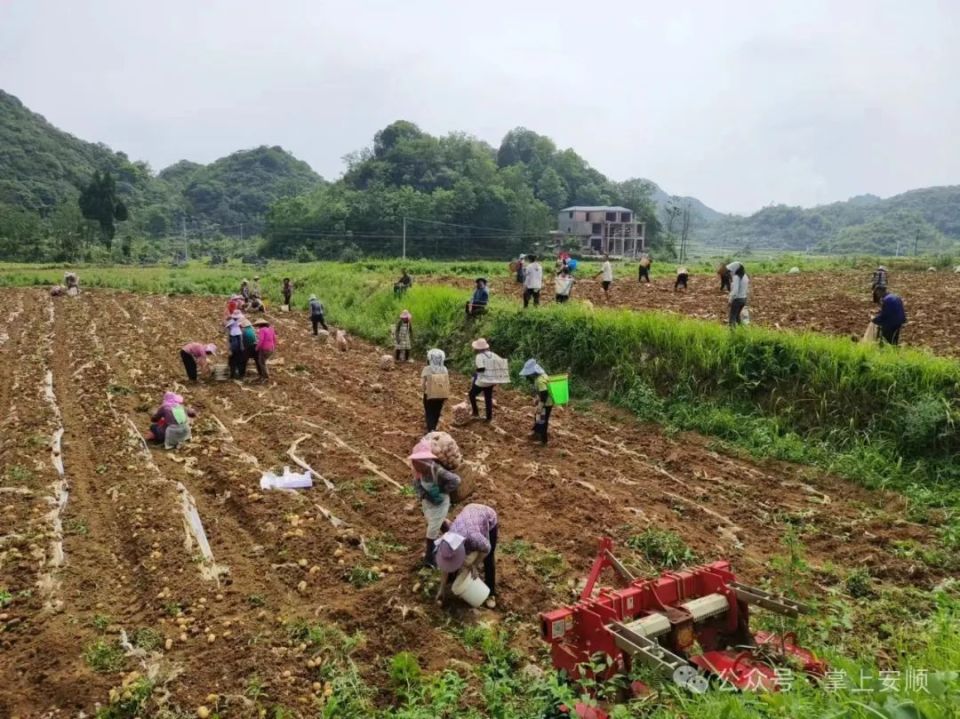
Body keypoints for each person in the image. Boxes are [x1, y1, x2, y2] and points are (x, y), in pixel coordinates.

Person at [435, 503, 499, 609]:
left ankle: (491, 594)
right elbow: (446, 565)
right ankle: (450, 582)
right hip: (469, 515)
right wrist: (441, 589)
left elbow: (487, 548)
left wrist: (474, 565)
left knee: (488, 559)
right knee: (460, 564)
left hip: (487, 517)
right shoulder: (450, 539)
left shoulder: (474, 539)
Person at [410, 440, 461, 568]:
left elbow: (455, 480)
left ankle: (429, 558)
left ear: (425, 460)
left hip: (441, 502)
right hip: (428, 502)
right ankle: (455, 542)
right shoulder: (419, 471)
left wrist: (443, 490)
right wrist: (425, 495)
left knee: (432, 529)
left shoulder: (437, 470)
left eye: (417, 461)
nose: (414, 464)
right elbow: (416, 485)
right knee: (439, 523)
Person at [520, 359, 553, 445]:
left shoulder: (539, 380)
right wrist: (538, 399)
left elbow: (544, 394)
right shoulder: (543, 375)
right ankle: (536, 432)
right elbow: (542, 393)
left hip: (546, 403)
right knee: (538, 416)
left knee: (542, 421)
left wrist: (540, 406)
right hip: (548, 402)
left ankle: (543, 441)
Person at [421, 349, 450, 431]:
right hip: (441, 395)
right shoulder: (444, 369)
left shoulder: (427, 369)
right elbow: (447, 382)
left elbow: (422, 384)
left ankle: (431, 429)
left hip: (429, 394)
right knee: (437, 412)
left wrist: (424, 391)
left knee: (429, 412)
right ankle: (434, 427)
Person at [469, 338, 496, 422]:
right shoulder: (492, 355)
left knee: (471, 394)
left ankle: (475, 412)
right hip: (491, 380)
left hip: (483, 381)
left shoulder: (479, 356)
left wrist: (475, 374)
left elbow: (481, 369)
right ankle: (489, 418)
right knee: (488, 398)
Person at [727, 262, 749, 327]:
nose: (730, 272)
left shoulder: (736, 277)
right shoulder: (745, 276)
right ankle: (742, 330)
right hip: (744, 299)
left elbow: (735, 291)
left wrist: (730, 300)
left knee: (732, 317)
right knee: (737, 316)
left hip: (737, 300)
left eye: (731, 270)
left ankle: (732, 333)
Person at [225, 310, 245, 379]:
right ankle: (237, 375)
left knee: (233, 361)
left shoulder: (233, 329)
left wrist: (230, 349)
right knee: (237, 361)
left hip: (235, 349)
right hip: (237, 349)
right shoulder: (236, 330)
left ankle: (234, 374)